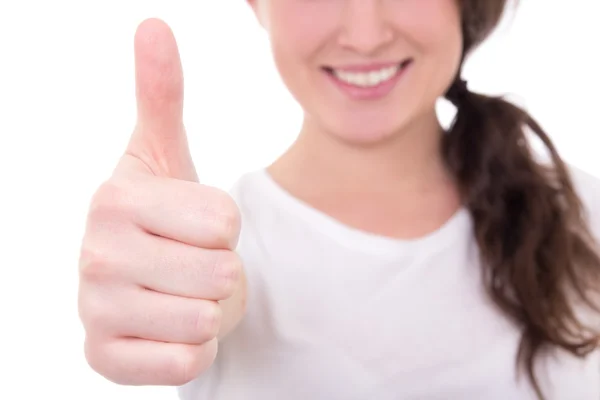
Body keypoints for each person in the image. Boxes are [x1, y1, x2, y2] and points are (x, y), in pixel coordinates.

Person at [77, 1, 600, 399]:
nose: (366, 34)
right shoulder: (219, 257)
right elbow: (214, 295)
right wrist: (163, 292)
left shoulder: (586, 213)